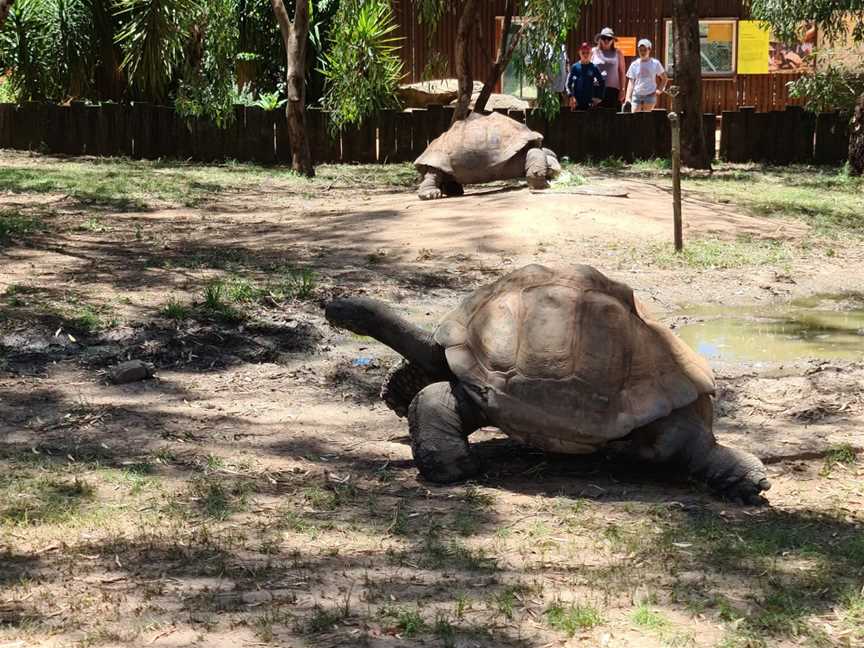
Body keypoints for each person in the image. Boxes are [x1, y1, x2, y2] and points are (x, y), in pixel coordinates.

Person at [625, 38, 668, 113]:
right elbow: (631, 82)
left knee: (647, 119)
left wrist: (659, 90)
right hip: (637, 95)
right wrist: (628, 97)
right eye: (640, 50)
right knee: (635, 118)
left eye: (645, 50)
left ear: (649, 50)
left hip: (650, 95)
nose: (642, 52)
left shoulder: (655, 63)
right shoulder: (634, 64)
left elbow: (664, 78)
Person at [591, 27, 627, 110]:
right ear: (600, 39)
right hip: (596, 89)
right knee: (595, 117)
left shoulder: (618, 53)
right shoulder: (593, 52)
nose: (606, 40)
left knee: (612, 117)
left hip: (613, 91)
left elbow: (622, 72)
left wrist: (623, 90)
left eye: (609, 38)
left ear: (613, 40)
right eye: (604, 38)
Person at [567, 42, 605, 110]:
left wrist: (599, 97)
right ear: (579, 53)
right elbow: (568, 84)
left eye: (587, 52)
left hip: (590, 103)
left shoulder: (593, 67)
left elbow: (602, 82)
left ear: (591, 53)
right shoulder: (575, 67)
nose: (585, 55)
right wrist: (571, 97)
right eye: (583, 53)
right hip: (577, 103)